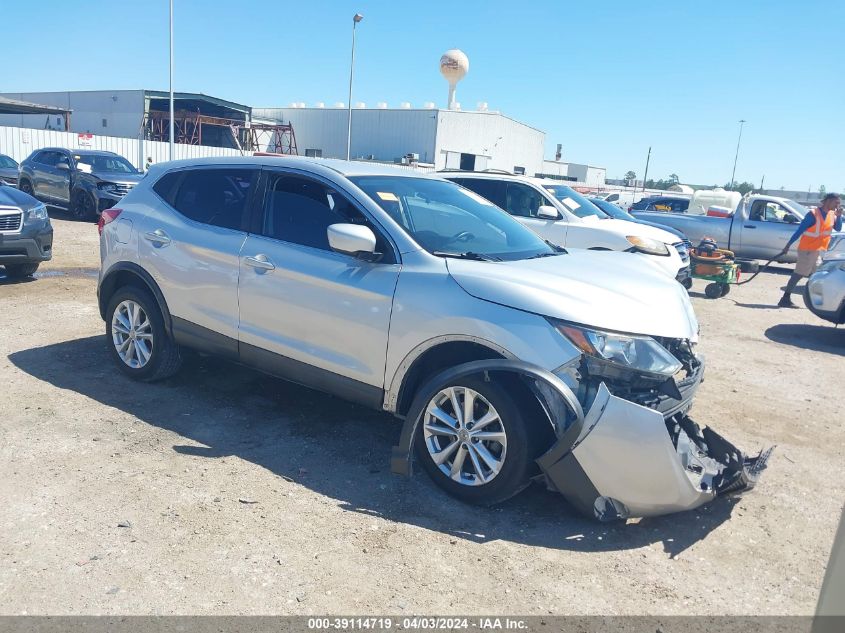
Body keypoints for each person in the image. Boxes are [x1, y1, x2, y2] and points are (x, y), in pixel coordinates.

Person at [776, 193, 842, 308]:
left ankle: (814, 301)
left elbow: (838, 228)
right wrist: (788, 245)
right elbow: (799, 230)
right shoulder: (813, 214)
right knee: (799, 274)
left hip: (818, 251)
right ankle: (785, 299)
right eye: (836, 202)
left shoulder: (832, 215)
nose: (838, 205)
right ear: (828, 201)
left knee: (817, 275)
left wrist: (840, 216)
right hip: (807, 250)